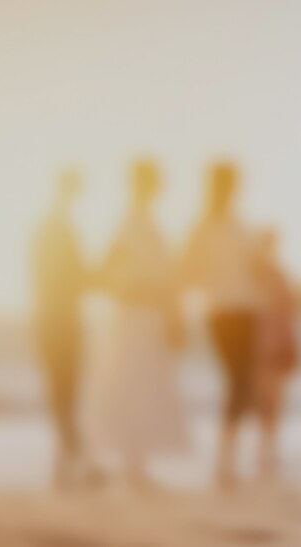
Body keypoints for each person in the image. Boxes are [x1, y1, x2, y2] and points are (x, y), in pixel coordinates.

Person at [91, 159, 189, 490]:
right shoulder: (130, 223)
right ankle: (133, 468)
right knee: (134, 388)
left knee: (144, 389)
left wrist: (170, 310)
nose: (156, 189)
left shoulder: (146, 222)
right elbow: (106, 269)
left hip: (147, 315)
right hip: (135, 316)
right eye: (151, 182)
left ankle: (137, 467)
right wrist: (136, 290)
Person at [181, 160, 263, 489]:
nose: (235, 190)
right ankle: (223, 464)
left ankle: (227, 461)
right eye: (230, 184)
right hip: (221, 310)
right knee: (237, 383)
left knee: (243, 385)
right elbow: (186, 269)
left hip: (247, 309)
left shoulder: (238, 223)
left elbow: (254, 266)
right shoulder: (204, 225)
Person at [31, 167, 101, 490]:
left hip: (50, 317)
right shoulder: (59, 229)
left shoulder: (47, 227)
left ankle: (64, 470)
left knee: (63, 395)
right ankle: (77, 460)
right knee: (64, 395)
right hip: (61, 319)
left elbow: (51, 277)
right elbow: (73, 278)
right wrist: (108, 274)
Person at [252, 228, 300, 482]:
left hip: (276, 347)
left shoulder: (278, 276)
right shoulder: (253, 276)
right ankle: (264, 454)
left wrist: (292, 345)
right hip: (259, 348)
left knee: (274, 403)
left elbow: (287, 315)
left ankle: (269, 454)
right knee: (264, 403)